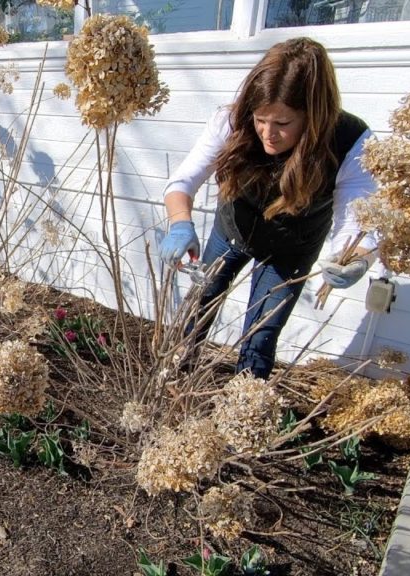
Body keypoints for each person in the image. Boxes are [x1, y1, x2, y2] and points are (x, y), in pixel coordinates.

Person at [158, 37, 377, 379]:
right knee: (199, 304)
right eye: (261, 120)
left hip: (291, 247)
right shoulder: (232, 120)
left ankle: (243, 410)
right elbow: (183, 181)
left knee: (262, 333)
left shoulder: (350, 140)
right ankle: (175, 376)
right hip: (232, 230)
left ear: (314, 116)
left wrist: (355, 258)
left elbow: (357, 217)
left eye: (283, 124)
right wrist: (179, 224)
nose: (268, 133)